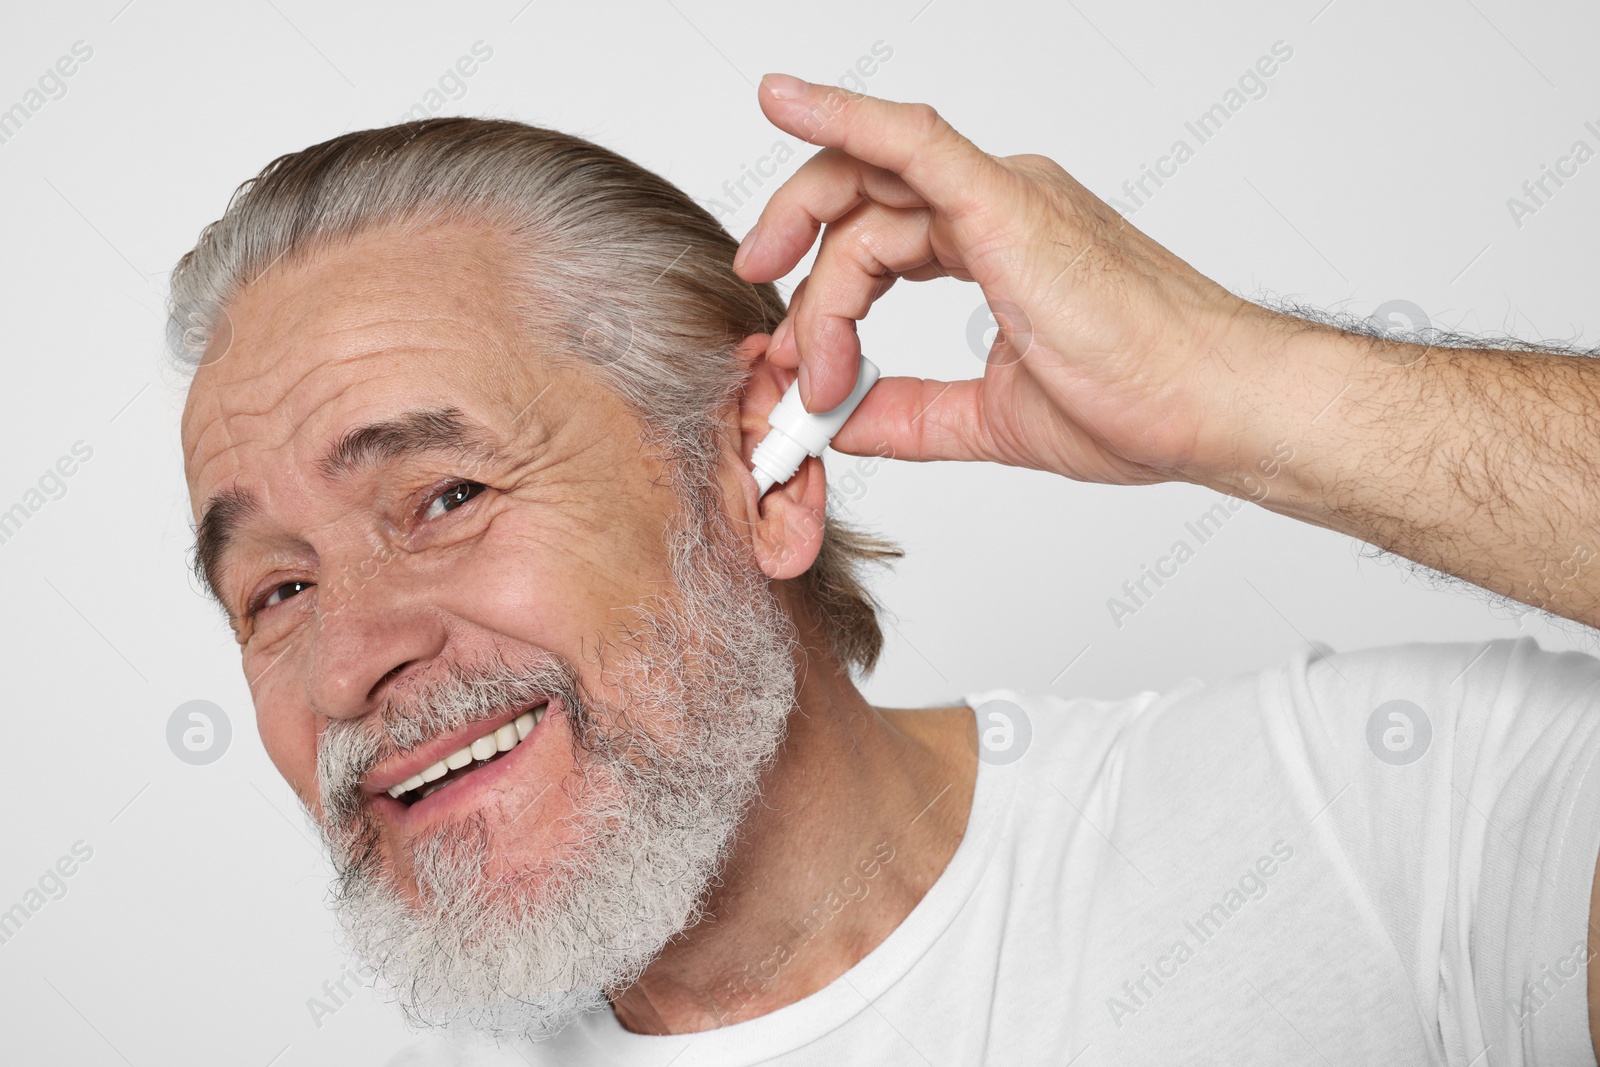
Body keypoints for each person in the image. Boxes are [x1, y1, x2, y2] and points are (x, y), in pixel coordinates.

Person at [171, 74, 1600, 1066]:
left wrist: (1252, 390)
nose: (353, 657)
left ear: (752, 471)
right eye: (277, 591)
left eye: (445, 495)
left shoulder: (1375, 817)